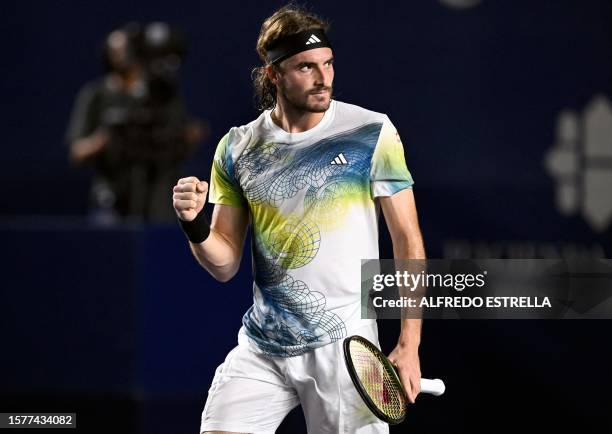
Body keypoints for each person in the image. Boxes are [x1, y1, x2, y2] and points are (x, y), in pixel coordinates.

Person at [173, 5, 426, 433]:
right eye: (306, 67)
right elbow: (224, 263)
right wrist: (195, 223)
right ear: (273, 75)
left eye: (327, 64)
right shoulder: (236, 148)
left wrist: (410, 342)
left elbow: (408, 240)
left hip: (346, 349)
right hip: (262, 345)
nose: (323, 77)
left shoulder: (372, 132)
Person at [67, 24, 203, 223]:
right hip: (112, 191)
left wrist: (185, 137)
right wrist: (107, 136)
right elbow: (76, 153)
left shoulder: (160, 93)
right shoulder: (96, 95)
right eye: (116, 51)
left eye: (128, 50)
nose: (123, 56)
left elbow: (177, 138)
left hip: (157, 189)